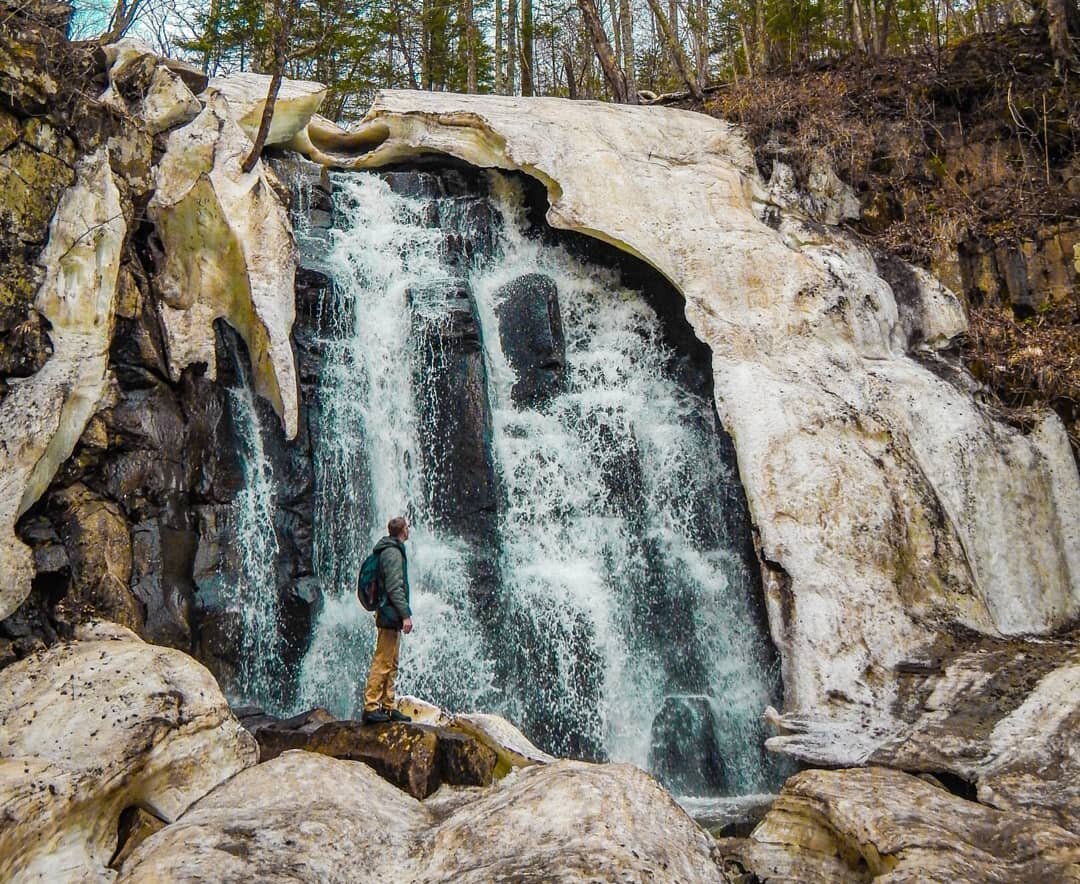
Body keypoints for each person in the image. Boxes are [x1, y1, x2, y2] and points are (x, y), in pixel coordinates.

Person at [361, 516, 414, 724]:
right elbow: (394, 587)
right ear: (402, 531)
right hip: (389, 613)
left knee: (391, 661)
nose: (409, 530)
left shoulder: (392, 549)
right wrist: (405, 614)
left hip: (391, 613)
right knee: (383, 661)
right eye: (407, 527)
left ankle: (388, 705)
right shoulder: (392, 553)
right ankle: (371, 706)